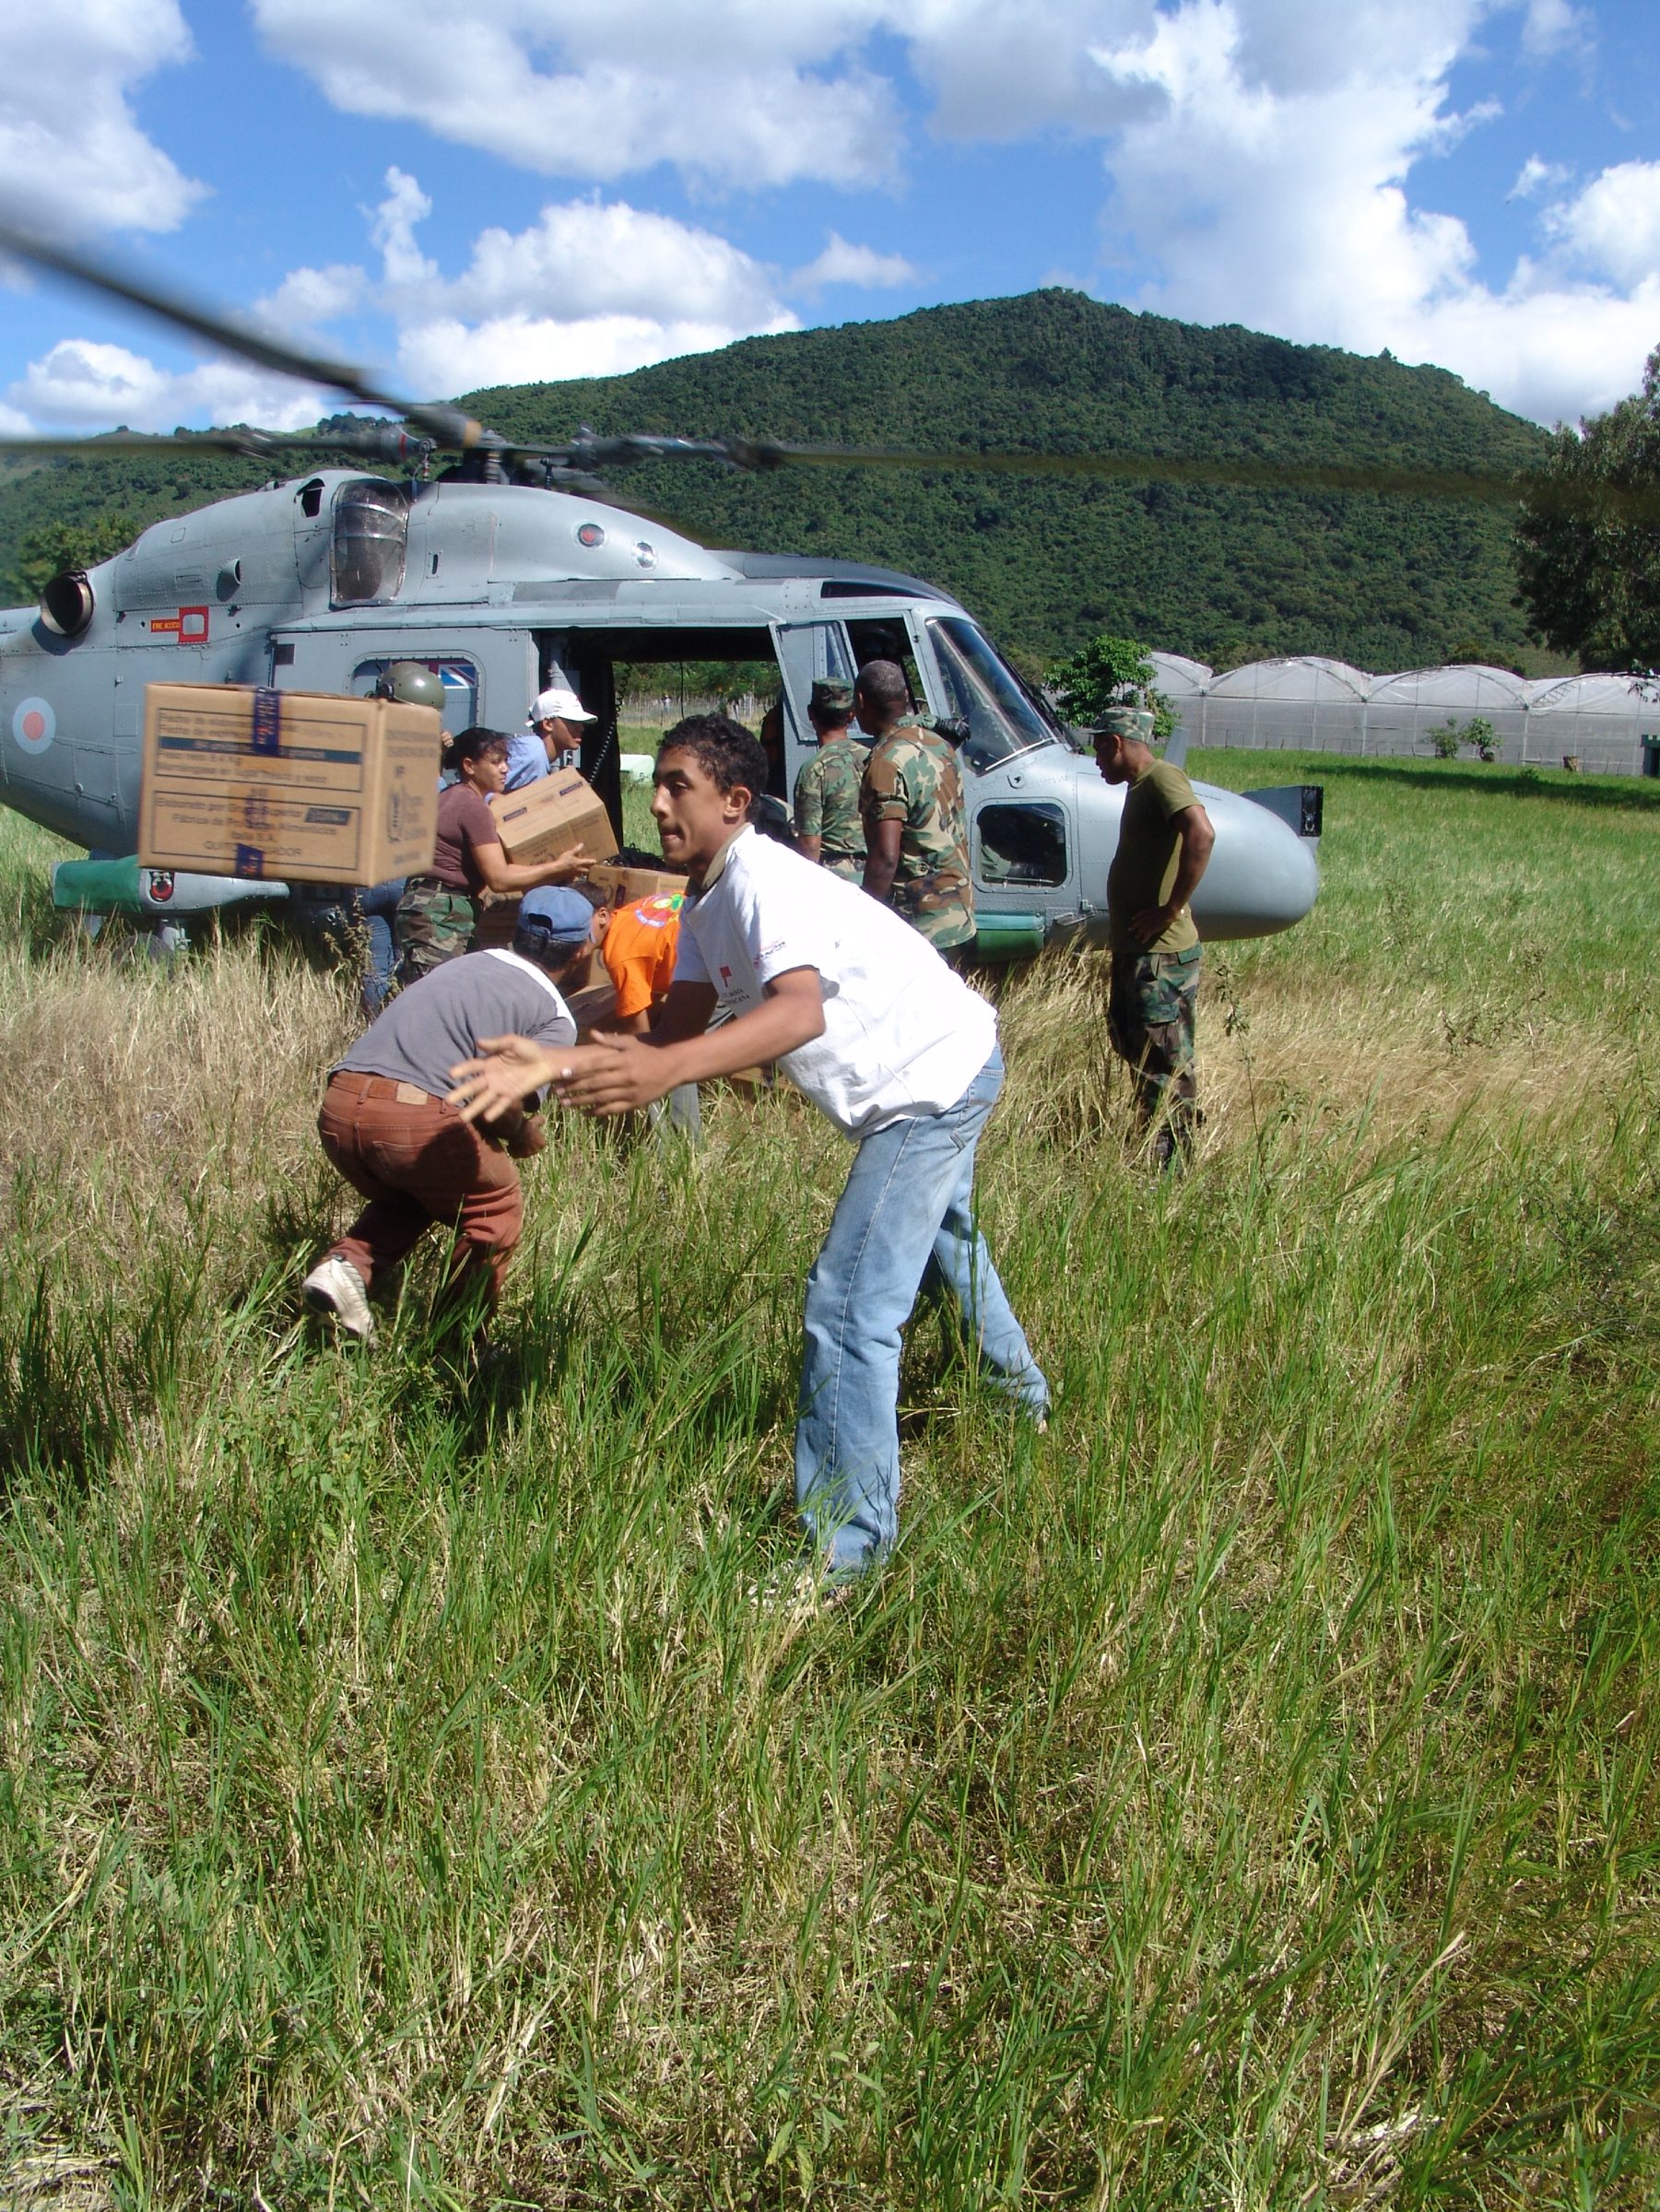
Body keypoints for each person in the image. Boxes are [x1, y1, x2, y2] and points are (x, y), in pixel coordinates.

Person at [450, 714, 1049, 1583]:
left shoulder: (764, 879)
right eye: (656, 786)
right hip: (930, 1071)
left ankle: (844, 1555)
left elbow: (794, 1013)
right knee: (943, 1248)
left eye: (676, 787)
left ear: (734, 802)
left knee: (848, 1305)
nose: (656, 803)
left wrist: (665, 1074)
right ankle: (1018, 1401)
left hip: (930, 1082)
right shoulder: (707, 901)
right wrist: (557, 1055)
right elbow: (673, 1029)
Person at [302, 887, 598, 1343]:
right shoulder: (556, 1017)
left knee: (421, 1189)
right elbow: (498, 1099)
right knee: (494, 1205)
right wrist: (520, 1133)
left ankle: (346, 1267)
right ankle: (457, 1341)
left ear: (518, 933)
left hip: (339, 1105)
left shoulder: (465, 963)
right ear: (582, 952)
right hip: (412, 1117)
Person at [1092, 705, 1216, 1169]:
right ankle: (1152, 1139)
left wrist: (1169, 909)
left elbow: (1201, 834)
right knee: (1134, 1045)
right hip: (1138, 951)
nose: (1097, 760)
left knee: (1165, 1056)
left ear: (1116, 742)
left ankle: (1174, 1163)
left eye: (1099, 748)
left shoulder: (1163, 778)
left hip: (1161, 957)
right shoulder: (1141, 787)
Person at [396, 726, 591, 984]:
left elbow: (501, 868)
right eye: (495, 762)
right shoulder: (473, 807)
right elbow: (499, 878)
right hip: (440, 915)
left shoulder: (451, 796)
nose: (505, 769)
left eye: (506, 761)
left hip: (430, 907)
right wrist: (559, 866)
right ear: (469, 766)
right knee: (439, 999)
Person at [855, 659, 976, 962]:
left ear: (860, 702)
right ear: (906, 699)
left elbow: (885, 857)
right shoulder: (940, 745)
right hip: (957, 911)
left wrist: (860, 921)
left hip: (918, 922)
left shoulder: (885, 761)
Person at [793, 678, 870, 880]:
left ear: (811, 714)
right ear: (852, 715)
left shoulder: (814, 769)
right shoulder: (874, 759)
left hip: (834, 879)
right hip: (875, 876)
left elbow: (810, 845)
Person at [504, 680, 597, 792]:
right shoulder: (532, 753)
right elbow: (482, 790)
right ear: (548, 724)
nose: (581, 728)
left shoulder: (538, 755)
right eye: (572, 722)